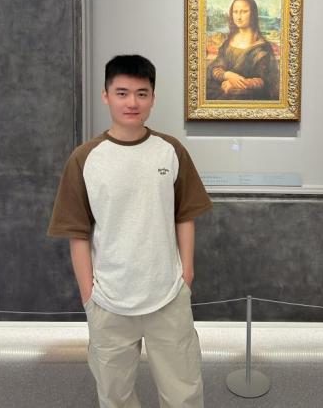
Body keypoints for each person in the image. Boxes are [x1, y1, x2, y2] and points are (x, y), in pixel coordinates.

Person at [48, 54, 212, 408]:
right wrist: (88, 293)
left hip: (167, 294)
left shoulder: (170, 151)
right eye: (122, 93)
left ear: (153, 97)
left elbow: (185, 215)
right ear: (106, 96)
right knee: (115, 395)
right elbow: (78, 231)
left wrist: (186, 274)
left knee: (183, 392)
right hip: (109, 299)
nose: (132, 102)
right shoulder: (85, 158)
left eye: (141, 93)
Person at [206, 0, 280, 101]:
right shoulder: (228, 42)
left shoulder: (262, 48)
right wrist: (227, 75)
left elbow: (266, 81)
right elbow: (215, 68)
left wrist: (238, 84)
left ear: (253, 14)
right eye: (235, 12)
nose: (238, 17)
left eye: (244, 12)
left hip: (250, 99)